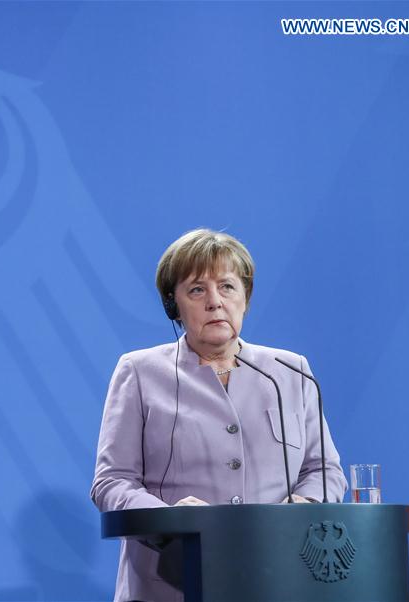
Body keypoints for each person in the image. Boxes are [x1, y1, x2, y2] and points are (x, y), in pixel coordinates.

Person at [90, 228, 346, 602]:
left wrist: (303, 507)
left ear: (245, 299)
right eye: (197, 290)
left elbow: (325, 471)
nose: (215, 302)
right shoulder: (140, 372)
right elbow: (111, 482)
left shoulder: (291, 370)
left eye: (227, 287)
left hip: (278, 580)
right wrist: (168, 518)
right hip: (170, 584)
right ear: (173, 306)